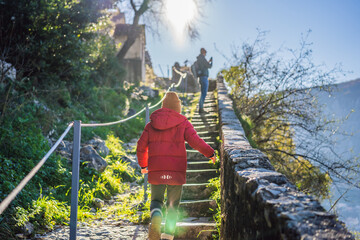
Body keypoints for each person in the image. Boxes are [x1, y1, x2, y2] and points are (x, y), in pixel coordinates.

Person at [137, 92, 216, 240]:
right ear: (178, 107)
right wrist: (210, 153)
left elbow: (141, 146)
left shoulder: (151, 124)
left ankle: (156, 217)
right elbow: (196, 141)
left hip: (156, 169)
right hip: (176, 171)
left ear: (163, 106)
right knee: (173, 205)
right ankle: (167, 236)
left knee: (156, 201)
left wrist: (143, 165)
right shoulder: (183, 122)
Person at [196, 48, 213, 114]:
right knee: (204, 93)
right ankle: (201, 109)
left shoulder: (199, 59)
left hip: (201, 77)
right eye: (205, 53)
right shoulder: (202, 58)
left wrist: (208, 61)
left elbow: (204, 65)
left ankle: (201, 108)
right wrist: (211, 61)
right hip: (204, 77)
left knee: (203, 93)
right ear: (203, 52)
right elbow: (209, 66)